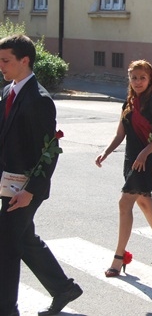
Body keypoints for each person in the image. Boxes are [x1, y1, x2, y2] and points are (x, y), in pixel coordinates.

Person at [0, 34, 82, 316]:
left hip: (25, 189)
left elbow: (49, 150)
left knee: (7, 245)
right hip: (8, 183)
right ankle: (63, 288)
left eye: (5, 60)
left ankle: (7, 309)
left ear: (25, 60)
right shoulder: (8, 91)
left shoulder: (39, 99)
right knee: (24, 239)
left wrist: (31, 190)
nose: (1, 66)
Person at [95, 60, 152, 278]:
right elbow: (120, 134)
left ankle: (119, 257)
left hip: (146, 160)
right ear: (129, 79)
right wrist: (106, 152)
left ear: (150, 80)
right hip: (131, 160)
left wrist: (144, 153)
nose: (138, 82)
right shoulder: (128, 104)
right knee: (145, 204)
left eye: (142, 78)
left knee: (124, 203)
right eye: (134, 78)